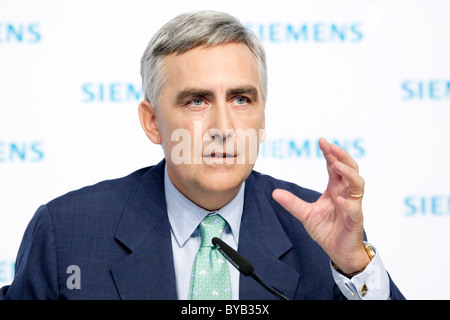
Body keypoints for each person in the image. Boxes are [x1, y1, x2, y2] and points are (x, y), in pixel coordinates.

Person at [0, 10, 404, 300]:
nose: (223, 127)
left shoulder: (321, 238)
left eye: (241, 99)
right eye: (197, 101)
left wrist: (354, 265)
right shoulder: (66, 234)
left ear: (263, 115)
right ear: (153, 121)